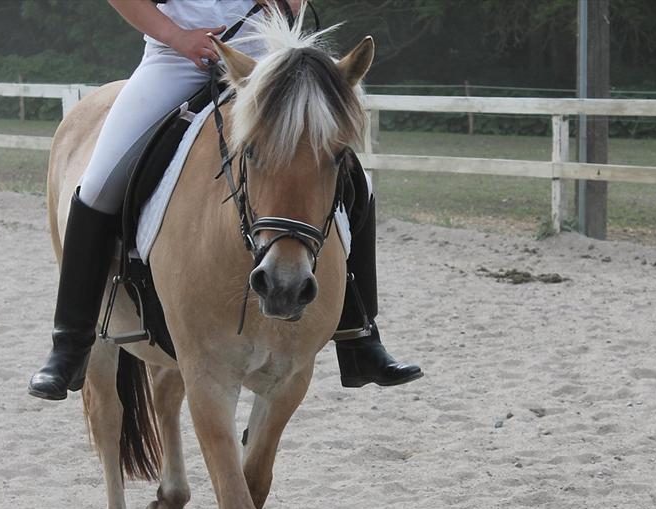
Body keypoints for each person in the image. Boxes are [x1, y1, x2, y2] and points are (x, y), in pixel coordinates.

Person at [28, 0, 422, 400]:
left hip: (267, 60)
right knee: (97, 184)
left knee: (357, 181)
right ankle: (71, 343)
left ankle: (359, 337)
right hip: (177, 59)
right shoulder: (174, 46)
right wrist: (177, 36)